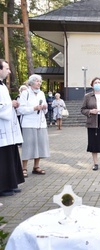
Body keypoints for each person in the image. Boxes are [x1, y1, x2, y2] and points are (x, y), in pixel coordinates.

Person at [18, 74, 50, 177]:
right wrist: (34, 108)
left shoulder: (41, 93)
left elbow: (45, 111)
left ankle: (36, 166)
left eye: (40, 81)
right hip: (28, 123)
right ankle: (24, 168)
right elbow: (21, 109)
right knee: (28, 145)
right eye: (37, 81)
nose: (39, 83)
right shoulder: (25, 93)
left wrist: (45, 107)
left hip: (40, 123)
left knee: (40, 145)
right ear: (31, 82)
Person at [0, 59, 24, 196]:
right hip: (1, 128)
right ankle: (3, 187)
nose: (9, 71)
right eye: (7, 68)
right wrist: (11, 105)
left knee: (10, 154)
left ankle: (11, 183)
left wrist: (12, 105)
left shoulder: (2, 86)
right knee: (3, 157)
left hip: (8, 128)